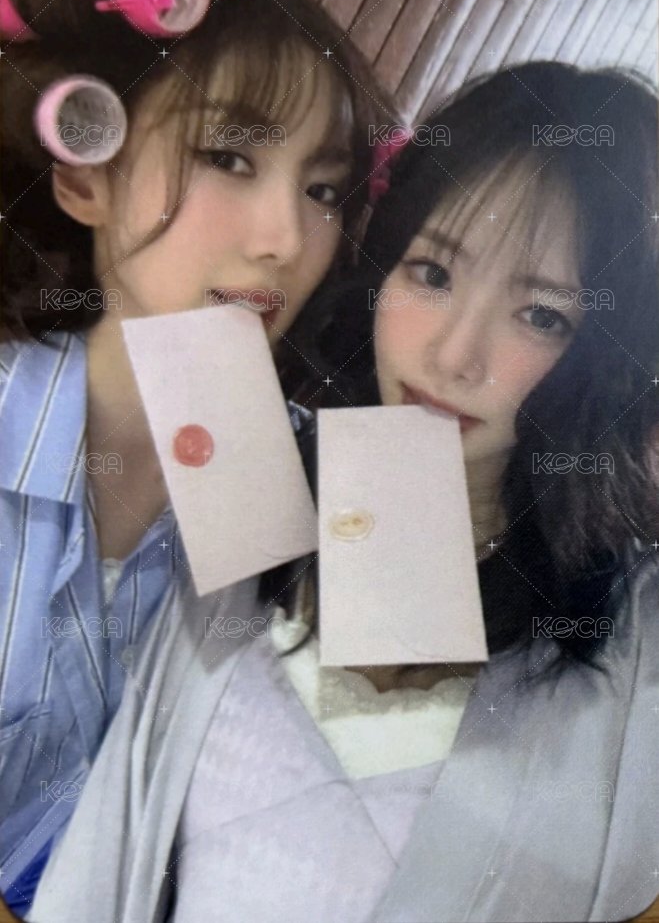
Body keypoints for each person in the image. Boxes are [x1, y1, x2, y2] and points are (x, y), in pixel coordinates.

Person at [27, 62, 659, 923]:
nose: (452, 355)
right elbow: (113, 833)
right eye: (431, 273)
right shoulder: (254, 487)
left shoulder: (627, 631)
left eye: (541, 315)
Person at [0, 0, 391, 913]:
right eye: (229, 156)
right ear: (85, 175)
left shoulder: (327, 492)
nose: (284, 240)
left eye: (322, 189)